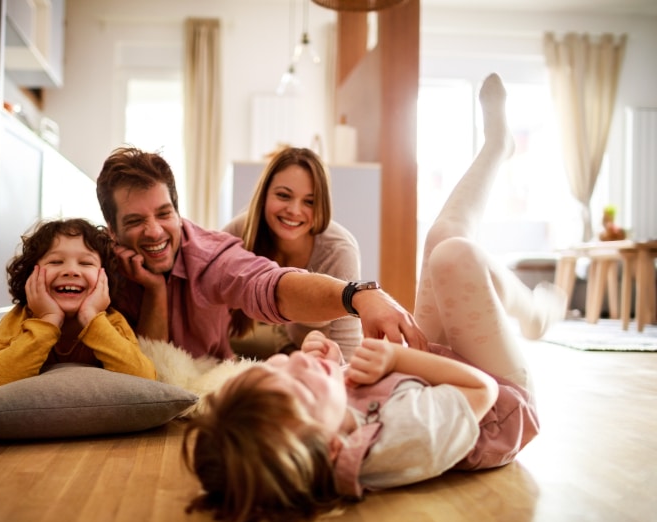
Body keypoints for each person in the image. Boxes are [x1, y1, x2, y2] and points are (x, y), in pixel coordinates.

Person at [181, 73, 568, 522]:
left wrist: (324, 362)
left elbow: (345, 377)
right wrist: (395, 358)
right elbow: (480, 391)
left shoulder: (323, 423)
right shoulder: (397, 440)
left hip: (430, 374)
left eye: (280, 369)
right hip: (500, 402)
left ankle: (527, 303)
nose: (294, 210)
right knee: (452, 250)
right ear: (330, 448)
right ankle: (530, 307)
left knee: (446, 243)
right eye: (283, 196)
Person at [95, 147, 427, 362]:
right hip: (258, 343)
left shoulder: (211, 255)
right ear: (112, 230)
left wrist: (356, 294)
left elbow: (267, 284)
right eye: (136, 221)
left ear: (179, 212)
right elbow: (154, 370)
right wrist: (155, 289)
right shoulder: (97, 264)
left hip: (311, 339)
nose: (154, 231)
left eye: (164, 214)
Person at [0, 218, 156, 389]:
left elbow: (145, 379)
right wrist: (48, 320)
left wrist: (91, 318)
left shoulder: (112, 321)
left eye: (86, 263)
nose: (71, 271)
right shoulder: (18, 318)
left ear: (104, 277)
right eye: (55, 262)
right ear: (31, 275)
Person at [222, 147, 362, 360]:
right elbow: (205, 299)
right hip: (272, 342)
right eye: (283, 195)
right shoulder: (241, 231)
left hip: (317, 360)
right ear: (264, 194)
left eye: (309, 201)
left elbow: (349, 351)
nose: (294, 210)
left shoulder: (338, 251)